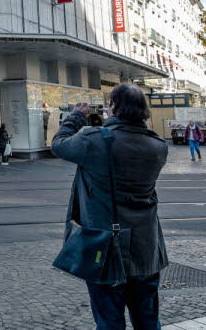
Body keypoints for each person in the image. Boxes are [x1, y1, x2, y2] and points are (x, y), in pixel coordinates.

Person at [52, 85, 169, 330]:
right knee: (148, 320)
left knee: (109, 322)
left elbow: (59, 144)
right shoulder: (158, 146)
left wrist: (76, 116)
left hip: (105, 248)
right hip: (146, 248)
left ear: (114, 106)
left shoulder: (93, 140)